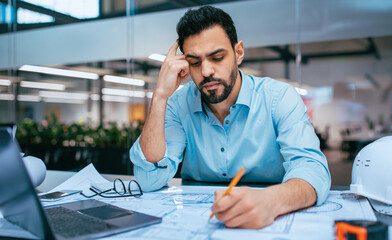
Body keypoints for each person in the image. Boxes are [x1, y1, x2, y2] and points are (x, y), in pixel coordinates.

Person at [130, 5, 330, 229]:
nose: (206, 71)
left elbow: (312, 170)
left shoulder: (279, 98)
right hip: (196, 223)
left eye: (217, 57)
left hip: (270, 221)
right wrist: (159, 96)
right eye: (195, 62)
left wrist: (272, 200)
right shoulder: (178, 104)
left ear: (239, 53)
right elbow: (148, 180)